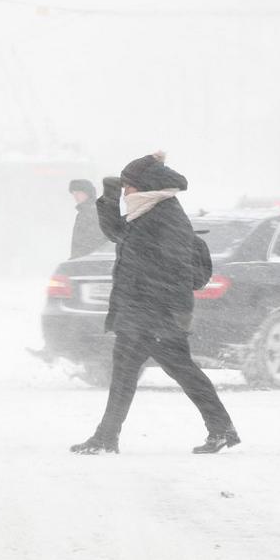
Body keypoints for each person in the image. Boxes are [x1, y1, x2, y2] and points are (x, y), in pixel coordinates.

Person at [70, 152, 240, 455]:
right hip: (144, 312)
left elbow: (174, 270)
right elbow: (116, 233)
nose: (125, 192)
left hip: (155, 314)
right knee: (150, 373)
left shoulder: (165, 216)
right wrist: (109, 195)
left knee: (164, 373)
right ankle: (220, 429)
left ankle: (108, 437)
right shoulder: (146, 212)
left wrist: (152, 308)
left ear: (146, 186)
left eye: (128, 186)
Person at [68, 179, 107, 259]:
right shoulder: (83, 213)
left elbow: (95, 240)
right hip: (85, 260)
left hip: (90, 261)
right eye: (73, 193)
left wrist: (79, 257)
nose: (75, 196)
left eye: (78, 193)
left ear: (88, 193)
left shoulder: (94, 212)